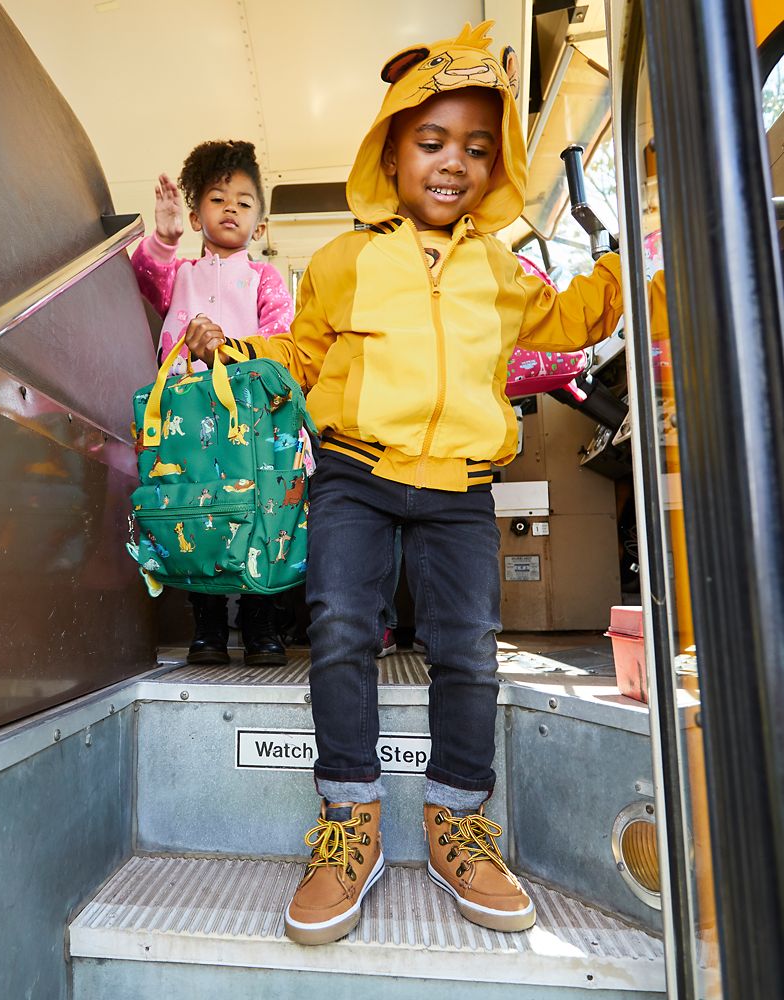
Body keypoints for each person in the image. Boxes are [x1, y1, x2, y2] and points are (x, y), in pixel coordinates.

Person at [186, 21, 625, 944]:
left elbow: (578, 316)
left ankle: (459, 816)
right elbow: (301, 357)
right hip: (355, 470)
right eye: (431, 142)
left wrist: (635, 271)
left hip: (462, 484)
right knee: (341, 628)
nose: (453, 162)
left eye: (475, 147)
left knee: (468, 643)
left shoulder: (504, 272)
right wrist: (231, 348)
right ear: (390, 153)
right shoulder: (343, 263)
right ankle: (350, 818)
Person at [132, 140, 292, 667]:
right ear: (198, 215)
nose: (232, 209)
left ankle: (260, 623)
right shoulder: (180, 274)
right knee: (195, 508)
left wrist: (232, 354)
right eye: (219, 199)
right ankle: (207, 627)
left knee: (257, 508)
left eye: (245, 203)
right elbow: (144, 276)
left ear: (260, 228)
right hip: (187, 415)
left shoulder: (265, 278)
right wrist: (163, 237)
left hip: (248, 414)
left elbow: (280, 338)